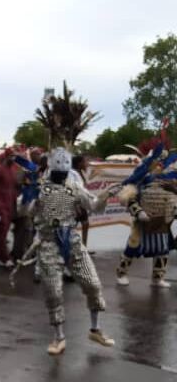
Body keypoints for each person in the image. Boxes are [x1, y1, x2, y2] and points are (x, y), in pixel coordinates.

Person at [17, 147, 115, 355]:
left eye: (63, 174)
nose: (61, 177)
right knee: (53, 291)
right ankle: (59, 336)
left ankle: (95, 329)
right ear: (51, 171)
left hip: (72, 239)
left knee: (93, 284)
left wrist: (106, 195)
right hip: (48, 242)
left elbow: (95, 206)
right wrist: (28, 195)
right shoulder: (40, 187)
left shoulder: (74, 186)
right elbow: (23, 211)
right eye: (58, 174)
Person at [116, 143, 177, 288]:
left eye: (162, 163)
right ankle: (122, 273)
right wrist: (139, 212)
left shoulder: (170, 180)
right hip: (143, 220)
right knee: (133, 247)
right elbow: (128, 197)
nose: (159, 166)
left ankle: (157, 278)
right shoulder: (139, 178)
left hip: (162, 220)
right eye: (157, 162)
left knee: (162, 249)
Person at [69, 154, 91, 247]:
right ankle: (73, 247)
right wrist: (76, 205)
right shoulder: (73, 173)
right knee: (73, 225)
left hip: (81, 203)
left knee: (85, 223)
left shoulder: (80, 172)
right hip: (75, 203)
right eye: (84, 161)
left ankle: (84, 247)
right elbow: (73, 189)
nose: (86, 163)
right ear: (79, 163)